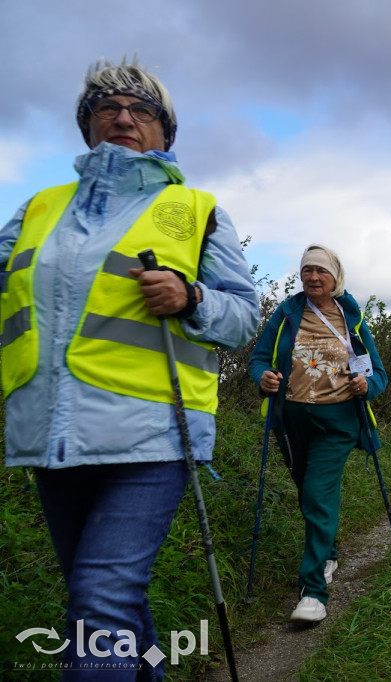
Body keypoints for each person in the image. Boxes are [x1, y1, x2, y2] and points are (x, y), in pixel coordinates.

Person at [0, 58, 260, 679]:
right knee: (112, 607)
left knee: (99, 605)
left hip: (153, 434)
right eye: (106, 108)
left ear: (165, 132)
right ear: (86, 126)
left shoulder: (194, 208)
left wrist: (192, 296)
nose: (123, 117)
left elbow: (244, 317)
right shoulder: (39, 208)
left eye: (141, 110)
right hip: (52, 438)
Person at [248, 244, 387, 623]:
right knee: (306, 492)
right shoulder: (287, 313)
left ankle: (313, 593)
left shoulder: (351, 319)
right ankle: (327, 553)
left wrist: (366, 386)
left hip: (338, 422)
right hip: (291, 421)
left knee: (316, 492)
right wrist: (263, 376)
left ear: (335, 277)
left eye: (320, 271)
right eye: (307, 270)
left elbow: (377, 373)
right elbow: (258, 358)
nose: (312, 277)